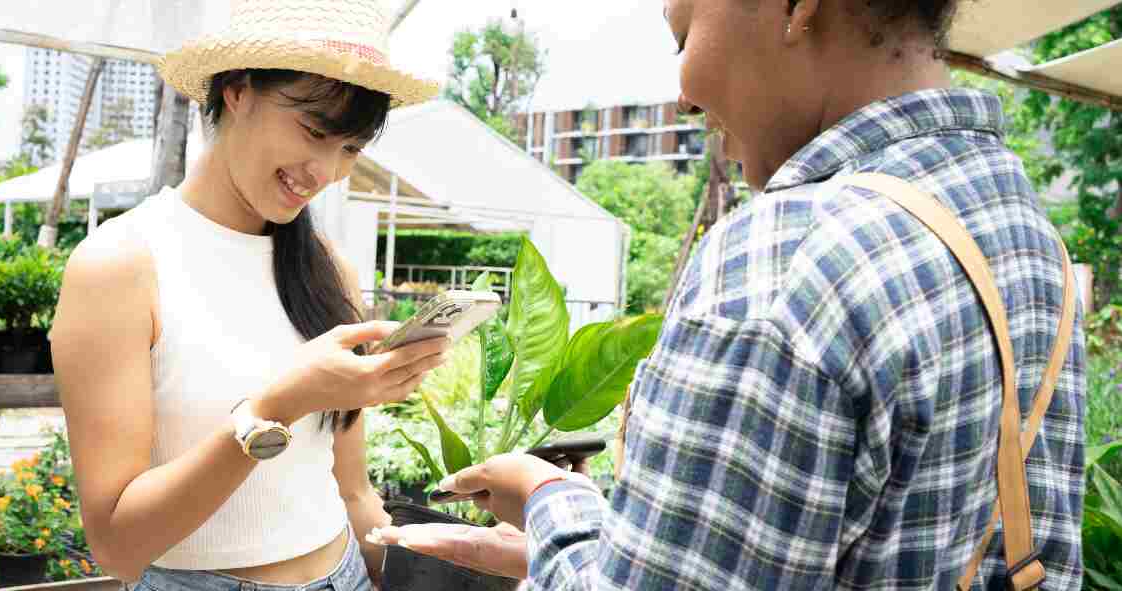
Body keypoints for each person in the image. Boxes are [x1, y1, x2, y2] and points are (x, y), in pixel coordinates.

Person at [371, 0, 1086, 589]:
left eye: (683, 35)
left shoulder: (786, 260)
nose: (682, 91)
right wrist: (598, 549)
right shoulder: (1020, 228)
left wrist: (553, 503)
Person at [48, 1, 445, 590]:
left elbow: (353, 490)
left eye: (351, 149)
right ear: (236, 90)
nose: (325, 171)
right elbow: (116, 543)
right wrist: (274, 409)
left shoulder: (325, 267)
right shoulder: (121, 265)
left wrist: (444, 562)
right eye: (314, 131)